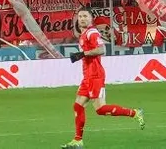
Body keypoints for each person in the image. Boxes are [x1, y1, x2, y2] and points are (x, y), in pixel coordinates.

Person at [61, 9, 144, 148]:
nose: (82, 18)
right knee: (78, 105)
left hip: (95, 76)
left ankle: (135, 112)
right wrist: (83, 55)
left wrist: (83, 54)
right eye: (80, 16)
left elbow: (102, 49)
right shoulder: (83, 34)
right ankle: (78, 140)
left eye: (85, 16)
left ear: (91, 19)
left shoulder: (92, 33)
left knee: (100, 109)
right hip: (87, 77)